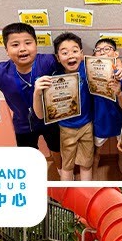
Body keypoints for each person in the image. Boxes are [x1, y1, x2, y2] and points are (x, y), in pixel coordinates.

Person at [0, 23, 62, 170]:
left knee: (57, 149)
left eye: (28, 43)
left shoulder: (49, 61)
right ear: (6, 50)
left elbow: (73, 68)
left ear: (36, 45)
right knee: (27, 156)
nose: (23, 49)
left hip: (50, 120)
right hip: (22, 124)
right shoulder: (0, 71)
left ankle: (61, 172)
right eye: (15, 44)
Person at [31, 33, 94, 181]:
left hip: (87, 125)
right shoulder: (53, 78)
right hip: (66, 128)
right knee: (67, 166)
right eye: (64, 52)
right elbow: (40, 115)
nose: (70, 55)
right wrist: (37, 92)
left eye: (75, 50)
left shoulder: (89, 69)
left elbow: (108, 64)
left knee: (86, 164)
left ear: (81, 53)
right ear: (58, 57)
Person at [91, 38, 122, 174]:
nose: (102, 52)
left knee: (121, 147)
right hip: (100, 120)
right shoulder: (89, 73)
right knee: (97, 150)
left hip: (119, 120)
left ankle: (121, 165)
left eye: (107, 49)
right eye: (98, 50)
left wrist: (119, 92)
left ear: (115, 53)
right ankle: (94, 173)